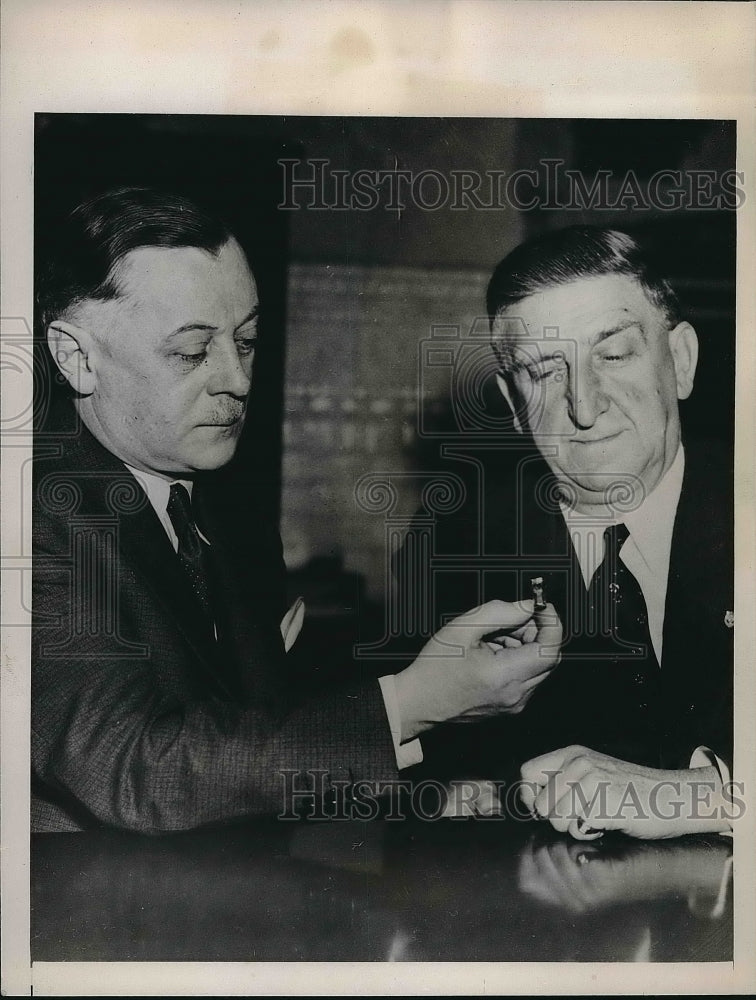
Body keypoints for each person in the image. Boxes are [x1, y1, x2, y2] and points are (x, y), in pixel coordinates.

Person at [31, 187, 563, 834]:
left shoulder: (212, 503)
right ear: (74, 356)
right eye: (191, 352)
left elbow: (244, 743)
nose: (236, 378)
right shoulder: (30, 521)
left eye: (248, 340)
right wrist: (412, 704)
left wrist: (429, 786)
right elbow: (136, 765)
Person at [393, 226, 734, 839]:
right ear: (513, 400)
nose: (584, 404)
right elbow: (410, 782)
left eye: (613, 354)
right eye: (545, 371)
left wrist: (708, 796)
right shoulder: (451, 546)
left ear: (680, 361)